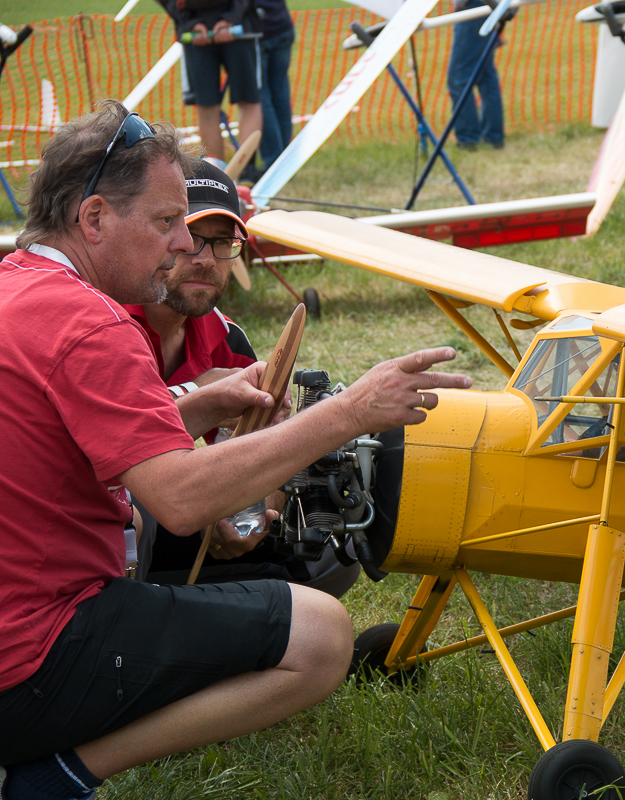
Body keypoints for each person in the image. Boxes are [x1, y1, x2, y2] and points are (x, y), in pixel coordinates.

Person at [0, 101, 471, 799]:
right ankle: (61, 774)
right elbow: (181, 499)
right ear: (93, 218)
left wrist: (197, 405)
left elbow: (66, 443)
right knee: (321, 636)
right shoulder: (92, 324)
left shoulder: (17, 286)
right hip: (30, 657)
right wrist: (349, 412)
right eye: (166, 222)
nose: (181, 245)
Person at [123, 158, 359, 595]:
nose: (205, 260)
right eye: (191, 238)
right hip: (116, 516)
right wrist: (199, 392)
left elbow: (257, 453)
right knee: (135, 512)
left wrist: (250, 513)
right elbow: (111, 448)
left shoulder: (228, 337)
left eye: (222, 242)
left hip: (191, 521)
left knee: (334, 547)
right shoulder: (105, 323)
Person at [156, 0, 263, 163]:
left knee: (246, 101)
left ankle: (245, 169)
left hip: (236, 27)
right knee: (214, 106)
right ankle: (221, 171)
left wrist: (231, 18)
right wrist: (190, 22)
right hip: (203, 31)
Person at [447, 0, 505, 150]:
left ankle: (468, 139)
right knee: (485, 75)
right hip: (483, 7)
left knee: (459, 79)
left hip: (473, 8)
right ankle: (493, 137)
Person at [254, 0, 295, 175]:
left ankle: (274, 162)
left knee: (260, 98)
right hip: (282, 25)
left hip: (260, 32)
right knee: (280, 94)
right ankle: (285, 161)